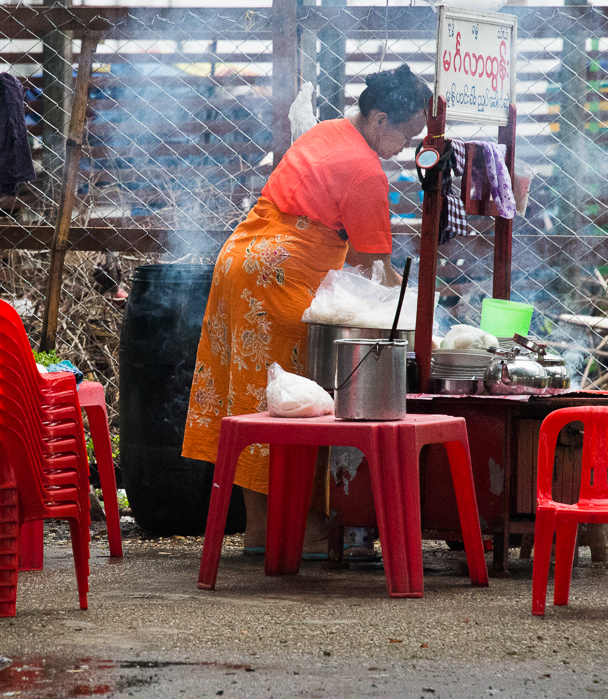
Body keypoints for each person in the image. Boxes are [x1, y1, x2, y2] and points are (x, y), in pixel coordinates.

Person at [182, 64, 431, 557]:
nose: (409, 146)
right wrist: (426, 315)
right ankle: (304, 529)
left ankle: (261, 532)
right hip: (279, 278)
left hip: (240, 260)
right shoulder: (364, 172)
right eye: (408, 134)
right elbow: (374, 271)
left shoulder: (328, 131)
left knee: (256, 401)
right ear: (380, 120)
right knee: (298, 401)